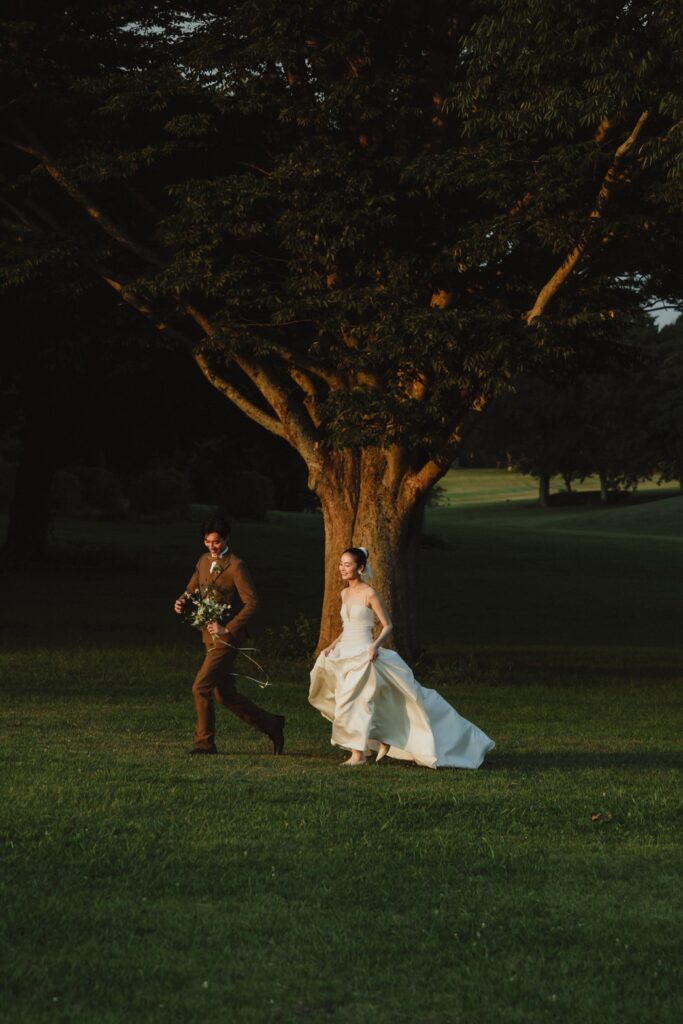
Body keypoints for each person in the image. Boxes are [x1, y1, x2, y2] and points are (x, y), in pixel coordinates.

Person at [309, 547, 494, 768]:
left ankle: (358, 756)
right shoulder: (344, 594)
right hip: (344, 653)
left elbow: (388, 626)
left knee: (354, 701)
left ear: (360, 568)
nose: (342, 568)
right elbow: (347, 626)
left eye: (347, 565)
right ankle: (379, 739)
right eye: (341, 564)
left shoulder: (370, 593)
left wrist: (375, 646)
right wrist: (331, 645)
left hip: (364, 655)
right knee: (345, 699)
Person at [174, 516, 285, 756]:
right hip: (208, 636)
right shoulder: (203, 560)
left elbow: (252, 603)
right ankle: (272, 724)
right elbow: (194, 586)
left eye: (216, 541)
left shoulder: (236, 565)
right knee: (223, 694)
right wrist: (183, 599)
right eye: (207, 541)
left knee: (200, 687)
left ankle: (204, 744)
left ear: (226, 539)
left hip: (228, 637)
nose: (211, 546)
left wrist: (229, 627)